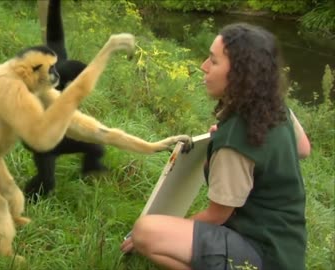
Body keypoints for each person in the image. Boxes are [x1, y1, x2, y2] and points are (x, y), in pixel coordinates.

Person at [120, 23, 311, 270]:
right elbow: (304, 148)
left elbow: (217, 215)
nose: (204, 67)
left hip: (262, 255)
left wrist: (173, 230)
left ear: (240, 74)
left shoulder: (235, 142)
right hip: (287, 247)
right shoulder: (274, 106)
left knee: (145, 231)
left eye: (214, 61)